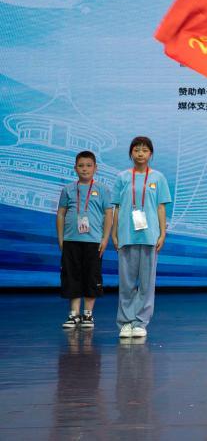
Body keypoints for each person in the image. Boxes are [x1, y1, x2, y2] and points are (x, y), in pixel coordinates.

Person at [112, 137, 171, 339]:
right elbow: (117, 207)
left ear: (150, 154)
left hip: (149, 235)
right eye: (136, 150)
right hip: (126, 234)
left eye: (144, 150)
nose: (140, 153)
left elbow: (161, 207)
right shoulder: (122, 177)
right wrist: (114, 233)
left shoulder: (158, 178)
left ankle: (140, 322)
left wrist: (162, 233)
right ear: (131, 153)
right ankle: (126, 322)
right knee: (126, 282)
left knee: (147, 283)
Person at [56, 151, 113, 330]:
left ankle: (88, 314)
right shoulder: (68, 189)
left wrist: (105, 238)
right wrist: (61, 238)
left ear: (96, 168)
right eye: (81, 166)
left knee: (91, 276)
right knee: (71, 275)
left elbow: (109, 214)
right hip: (71, 240)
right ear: (75, 168)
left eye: (89, 165)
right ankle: (74, 314)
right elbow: (61, 214)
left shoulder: (103, 190)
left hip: (94, 241)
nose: (85, 169)